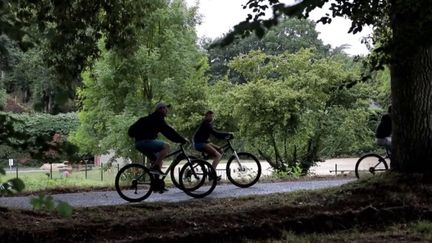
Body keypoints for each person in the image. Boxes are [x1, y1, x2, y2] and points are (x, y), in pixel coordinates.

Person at [130, 102, 188, 192]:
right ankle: (155, 167)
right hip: (145, 142)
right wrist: (181, 140)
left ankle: (157, 186)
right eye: (165, 108)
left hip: (139, 144)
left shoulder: (150, 118)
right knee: (166, 146)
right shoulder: (158, 119)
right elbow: (169, 132)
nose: (167, 110)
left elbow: (130, 131)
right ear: (160, 109)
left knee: (158, 161)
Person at [193, 111, 233, 181]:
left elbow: (215, 133)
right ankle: (212, 174)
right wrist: (227, 134)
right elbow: (216, 134)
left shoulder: (208, 124)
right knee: (218, 155)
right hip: (199, 144)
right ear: (206, 116)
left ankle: (206, 161)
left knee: (220, 150)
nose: (212, 117)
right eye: (210, 116)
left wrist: (226, 135)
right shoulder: (206, 124)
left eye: (212, 116)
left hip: (204, 142)